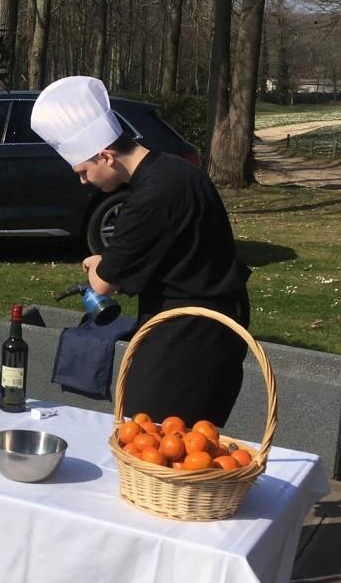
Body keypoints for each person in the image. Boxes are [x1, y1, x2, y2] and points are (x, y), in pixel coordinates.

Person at [30, 76, 252, 428]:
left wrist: (98, 264)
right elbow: (170, 247)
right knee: (183, 433)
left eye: (83, 171)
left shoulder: (149, 198)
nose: (83, 181)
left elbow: (103, 284)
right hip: (218, 320)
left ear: (105, 156)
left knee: (149, 430)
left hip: (189, 334)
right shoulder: (179, 169)